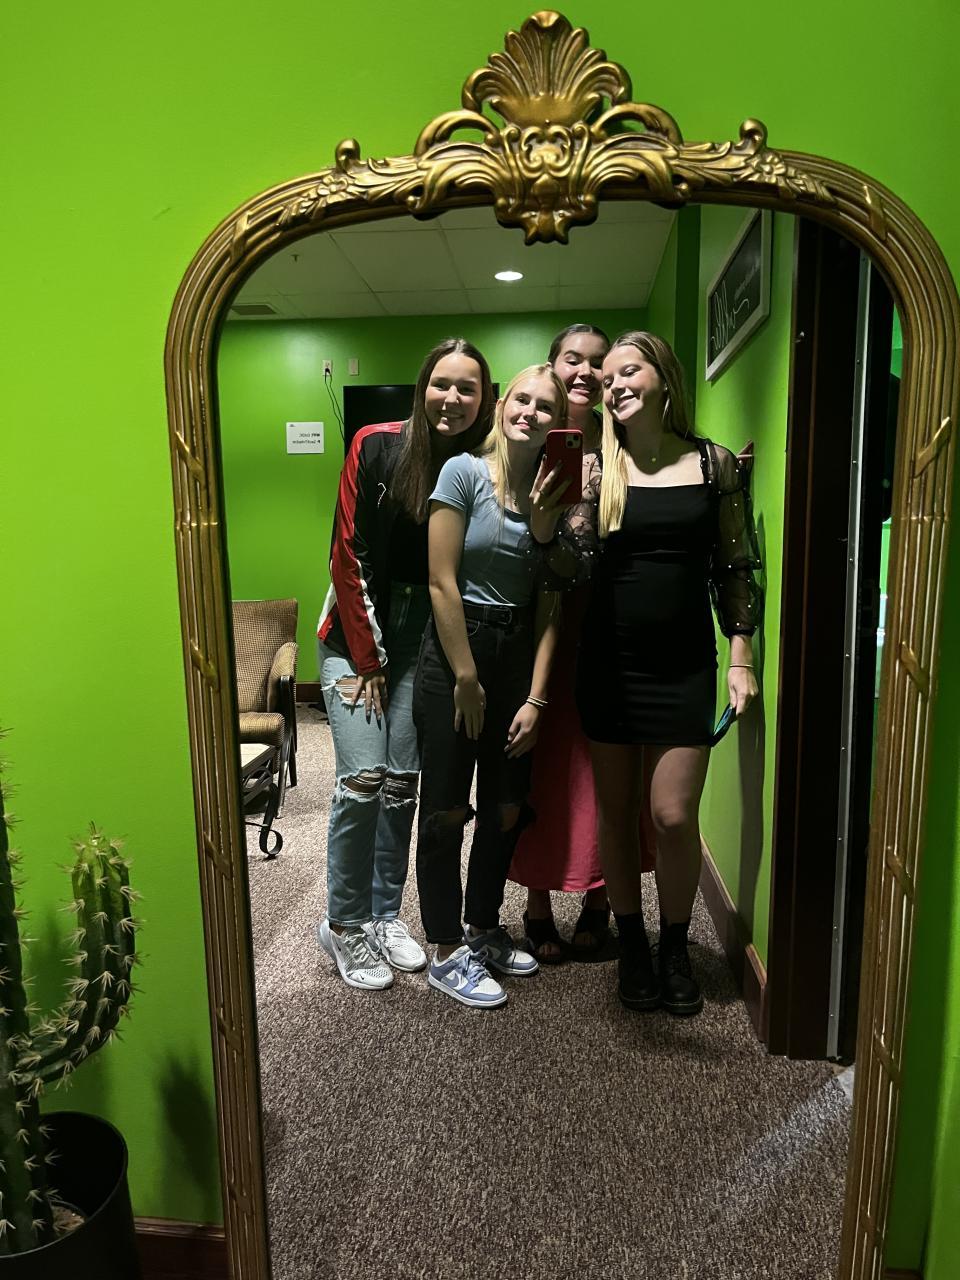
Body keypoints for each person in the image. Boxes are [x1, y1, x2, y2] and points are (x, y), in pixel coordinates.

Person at [570, 330, 761, 1015]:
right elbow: (567, 569)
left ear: (664, 378)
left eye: (629, 371)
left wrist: (741, 655)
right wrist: (559, 513)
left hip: (684, 664)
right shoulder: (600, 468)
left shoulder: (713, 464)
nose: (614, 384)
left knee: (672, 815)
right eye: (607, 378)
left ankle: (674, 945)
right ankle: (634, 944)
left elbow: (735, 566)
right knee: (617, 814)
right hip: (609, 663)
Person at [316, 338, 494, 991]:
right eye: (441, 383)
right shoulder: (376, 444)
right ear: (423, 387)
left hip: (429, 637)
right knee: (363, 778)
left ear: (484, 399)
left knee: (401, 784)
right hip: (354, 635)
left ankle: (385, 915)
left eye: (467, 388)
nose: (452, 398)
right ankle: (343, 924)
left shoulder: (482, 462)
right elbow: (349, 552)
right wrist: (369, 658)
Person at [413, 364, 571, 1008]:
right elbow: (440, 580)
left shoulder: (555, 488)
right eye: (522, 399)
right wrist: (466, 677)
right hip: (458, 652)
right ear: (503, 405)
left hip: (517, 652)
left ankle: (482, 925)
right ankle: (445, 946)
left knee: (506, 805)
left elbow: (551, 602)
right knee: (447, 807)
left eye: (545, 406)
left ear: (557, 422)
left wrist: (536, 697)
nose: (530, 412)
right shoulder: (463, 472)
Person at [509, 324, 615, 961]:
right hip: (540, 621)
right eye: (573, 359)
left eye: (598, 362)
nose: (585, 372)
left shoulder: (626, 439)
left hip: (609, 624)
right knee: (543, 768)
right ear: (552, 365)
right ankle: (538, 901)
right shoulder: (526, 436)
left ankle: (600, 898)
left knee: (603, 767)